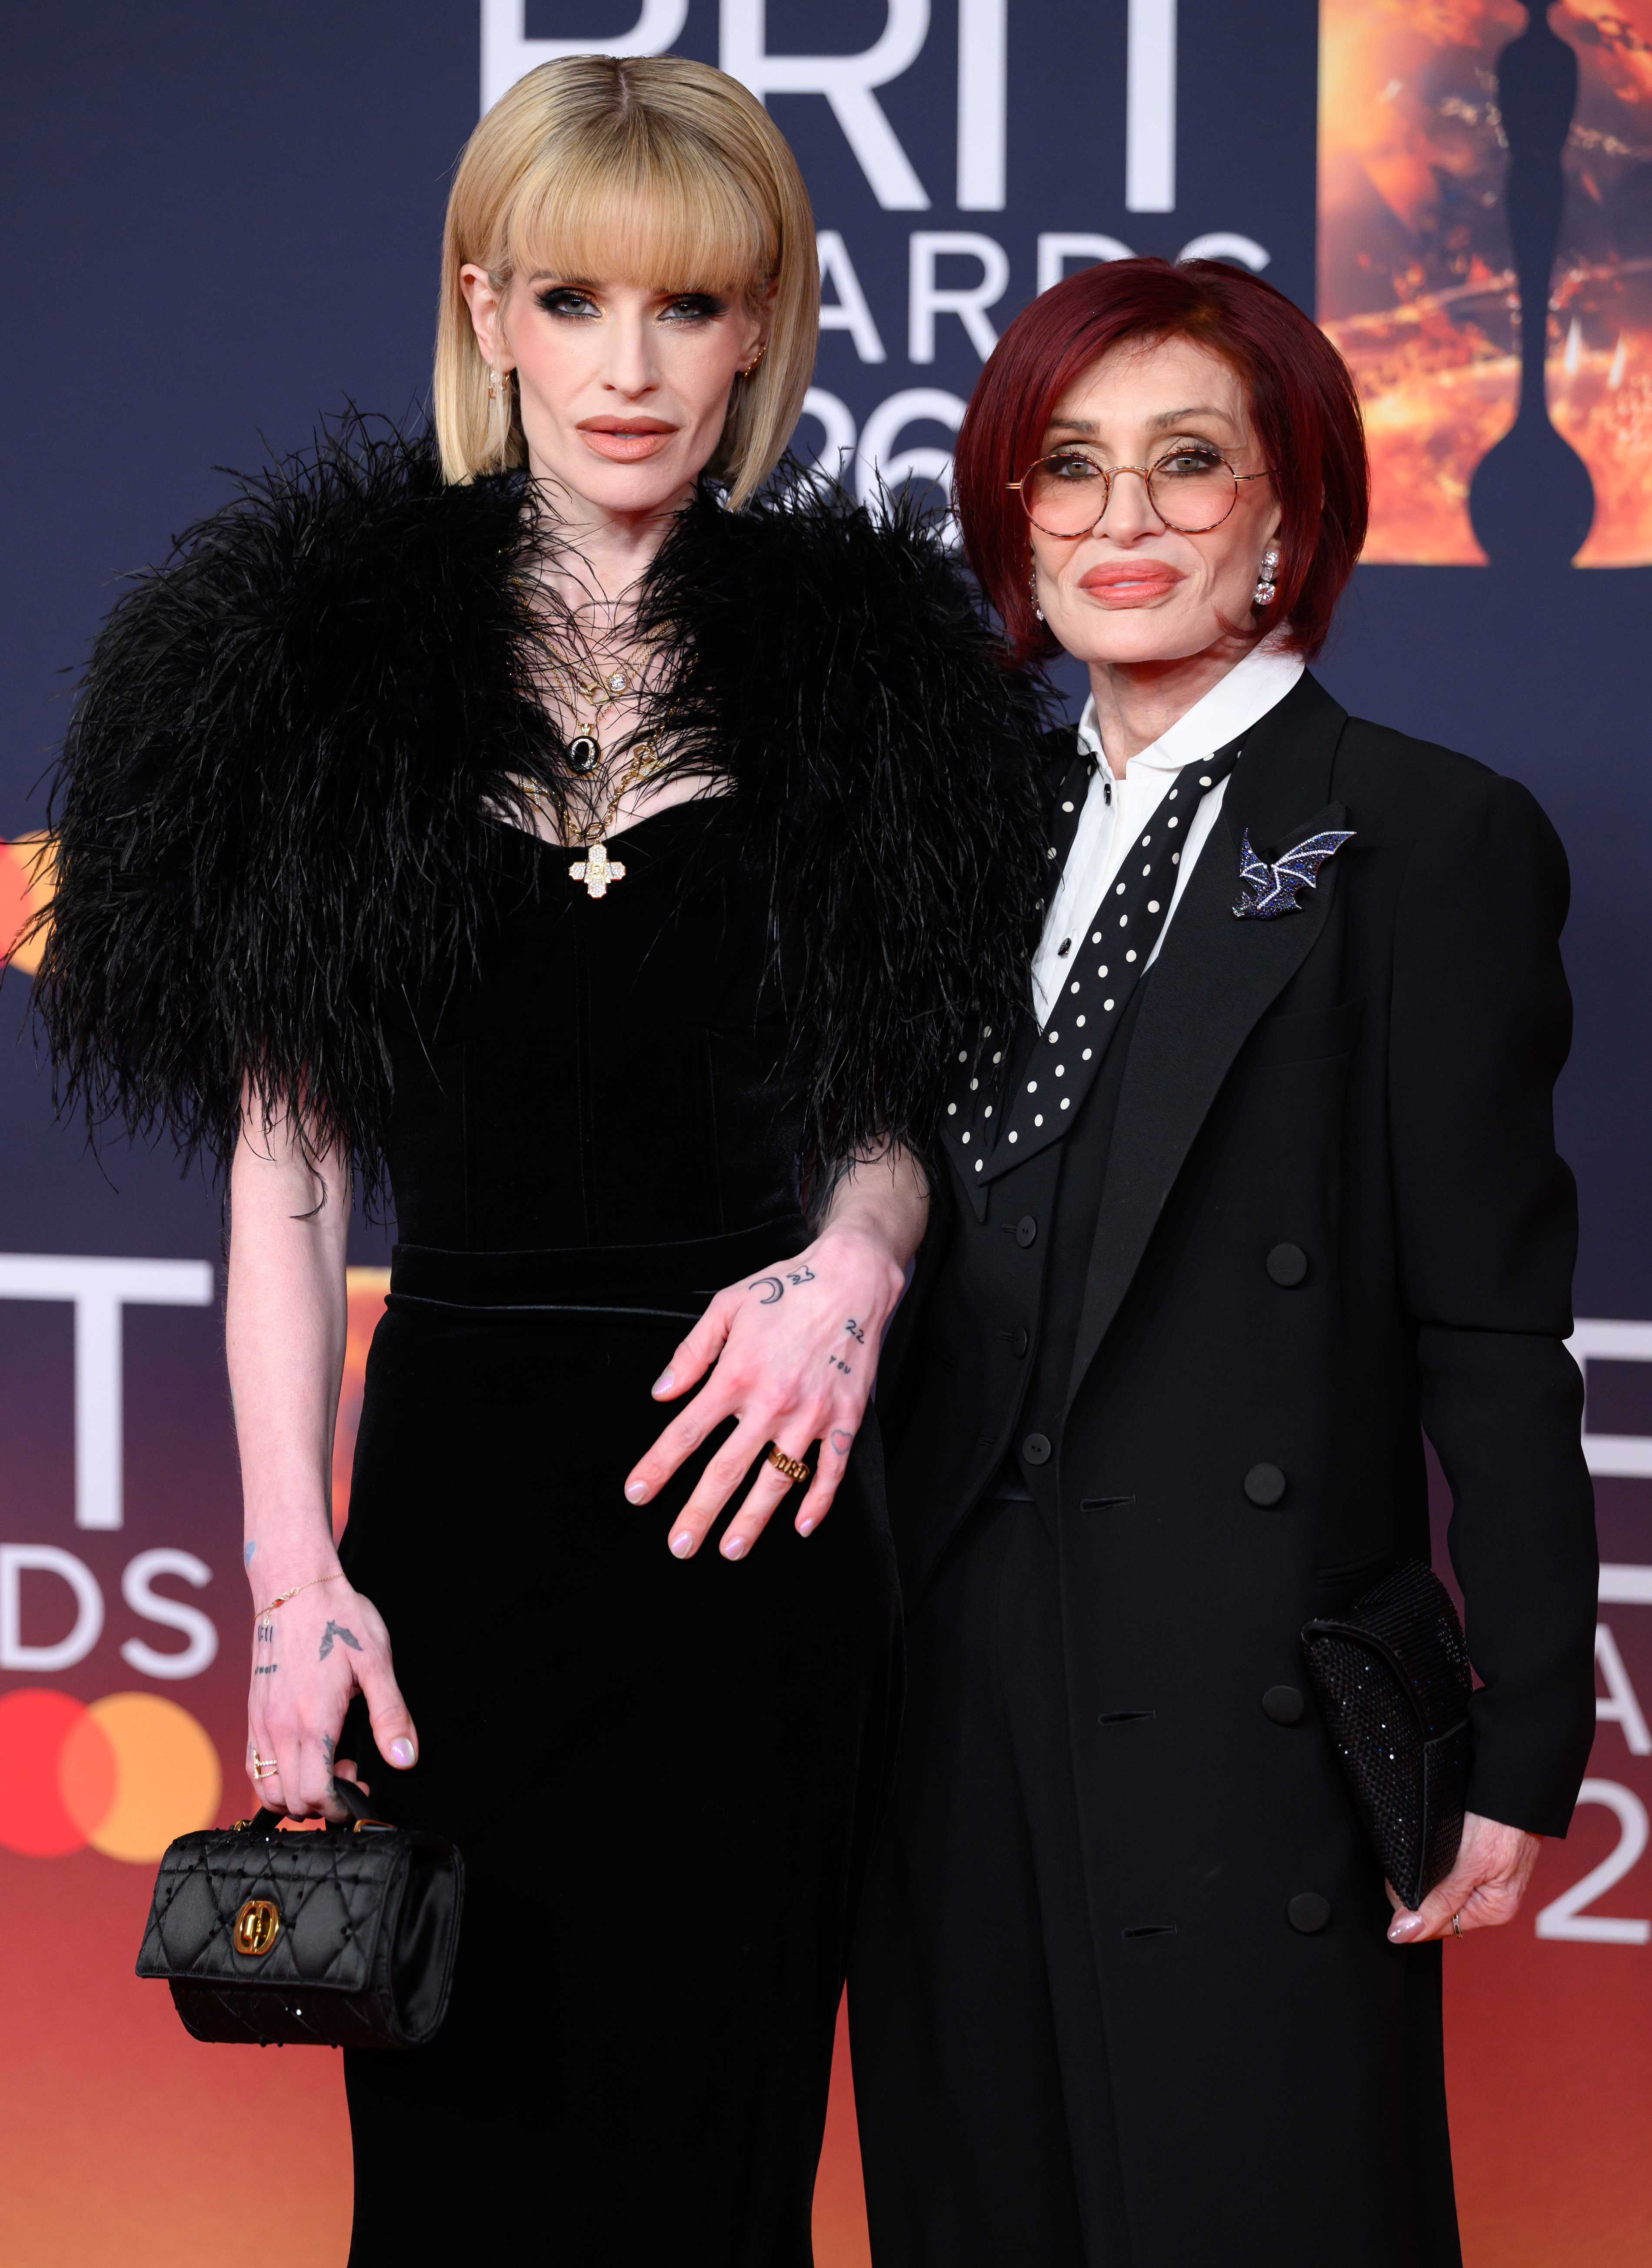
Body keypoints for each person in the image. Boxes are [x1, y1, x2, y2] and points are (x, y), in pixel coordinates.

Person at [35, 57, 1043, 2265]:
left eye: (687, 309)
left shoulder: (870, 672)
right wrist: (293, 1588)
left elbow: (900, 1098)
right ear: (485, 310)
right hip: (460, 1514)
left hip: (754, 1492)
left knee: (718, 2152)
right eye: (573, 299)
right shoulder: (311, 670)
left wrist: (851, 1273)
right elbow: (285, 1182)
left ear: (762, 330)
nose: (628, 365)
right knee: (459, 2169)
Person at [852, 258, 1599, 2268]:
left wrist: (1528, 1740)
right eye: (1065, 470)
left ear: (1287, 514)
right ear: (1008, 511)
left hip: (1249, 1692)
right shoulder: (962, 828)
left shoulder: (1422, 838)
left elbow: (1492, 1326)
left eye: (1186, 467)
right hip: (951, 1690)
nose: (1119, 524)